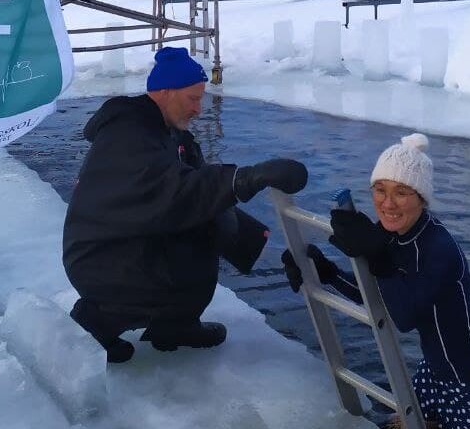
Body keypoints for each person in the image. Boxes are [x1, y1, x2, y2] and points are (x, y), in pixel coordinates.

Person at [63, 46, 308, 363]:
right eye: (192, 99)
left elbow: (198, 185)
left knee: (207, 224)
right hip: (100, 258)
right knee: (196, 232)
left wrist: (251, 239)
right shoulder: (129, 135)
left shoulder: (167, 133)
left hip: (123, 242)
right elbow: (175, 191)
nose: (198, 109)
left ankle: (175, 324)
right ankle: (97, 320)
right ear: (165, 92)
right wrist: (249, 178)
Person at [282, 133, 470, 429]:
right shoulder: (393, 234)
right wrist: (327, 273)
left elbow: (405, 316)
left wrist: (378, 257)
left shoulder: (438, 248)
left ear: (421, 198)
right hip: (434, 373)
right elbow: (378, 294)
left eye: (401, 192)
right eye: (380, 190)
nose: (388, 203)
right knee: (398, 425)